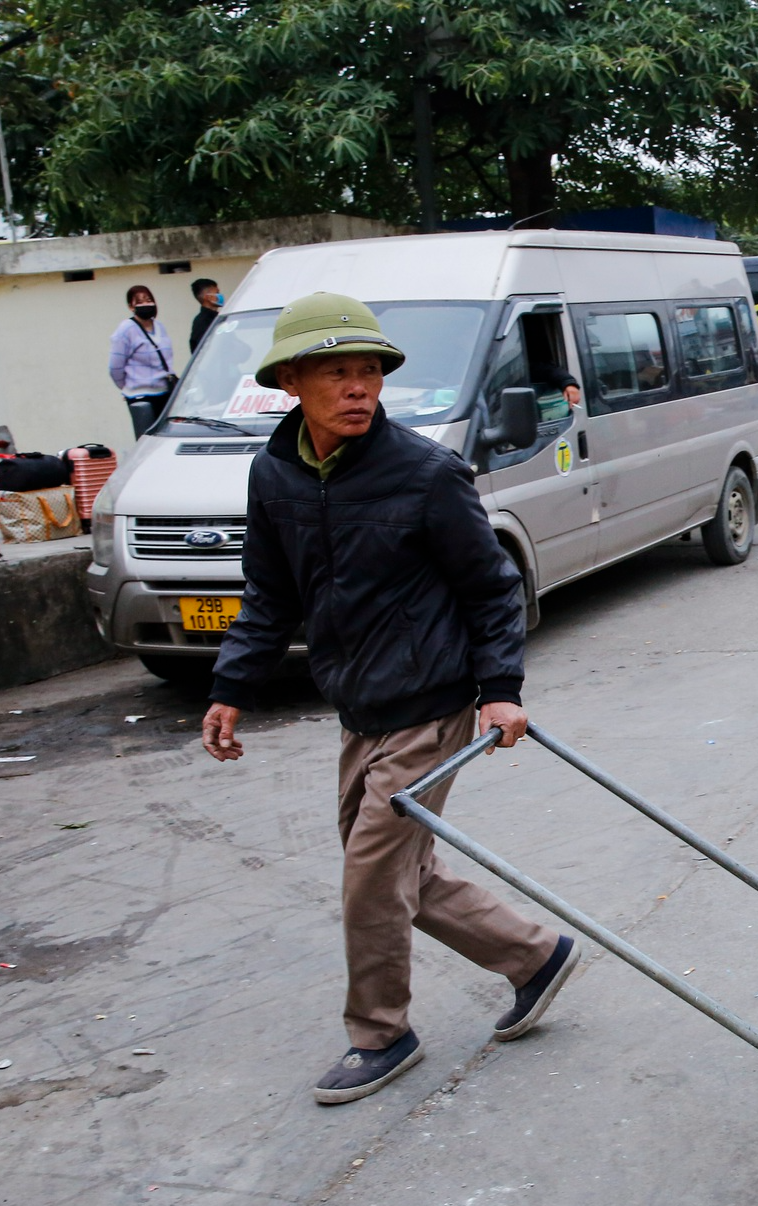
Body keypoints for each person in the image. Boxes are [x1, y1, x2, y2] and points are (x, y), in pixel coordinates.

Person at [202, 293, 580, 1106]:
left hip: (432, 702)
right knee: (391, 866)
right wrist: (233, 685)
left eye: (369, 371)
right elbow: (268, 594)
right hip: (357, 704)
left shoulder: (423, 472)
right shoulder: (274, 474)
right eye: (336, 372)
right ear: (291, 381)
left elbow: (491, 586)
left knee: (371, 877)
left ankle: (381, 1032)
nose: (357, 387)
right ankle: (533, 955)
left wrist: (500, 693)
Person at [108, 284, 176, 437]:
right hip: (141, 395)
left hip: (165, 392)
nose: (146, 305)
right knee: (147, 439)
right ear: (131, 306)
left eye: (148, 300)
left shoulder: (159, 327)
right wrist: (129, 386)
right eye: (140, 301)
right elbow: (115, 367)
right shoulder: (126, 329)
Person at [188, 278, 224, 354]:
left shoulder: (219, 317)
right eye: (217, 292)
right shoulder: (202, 322)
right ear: (207, 297)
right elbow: (204, 350)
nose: (220, 296)